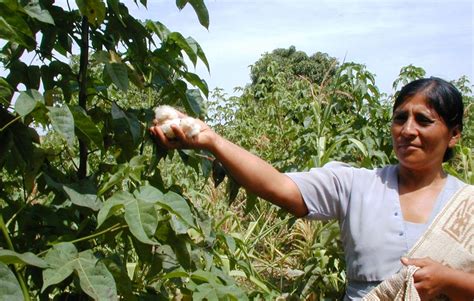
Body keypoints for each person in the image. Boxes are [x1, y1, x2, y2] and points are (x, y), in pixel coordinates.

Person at [149, 77, 474, 300]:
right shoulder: (356, 184)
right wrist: (211, 138)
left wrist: (451, 281)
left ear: (454, 134)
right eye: (400, 118)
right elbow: (279, 185)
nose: (407, 130)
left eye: (424, 120)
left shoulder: (467, 205)